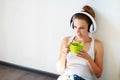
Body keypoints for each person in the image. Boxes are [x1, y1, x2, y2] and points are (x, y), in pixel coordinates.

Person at [56, 5, 104, 80]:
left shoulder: (97, 45)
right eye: (75, 27)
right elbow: (60, 70)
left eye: (81, 28)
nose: (77, 31)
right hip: (65, 77)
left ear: (90, 28)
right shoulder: (66, 40)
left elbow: (98, 75)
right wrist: (63, 54)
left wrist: (88, 58)